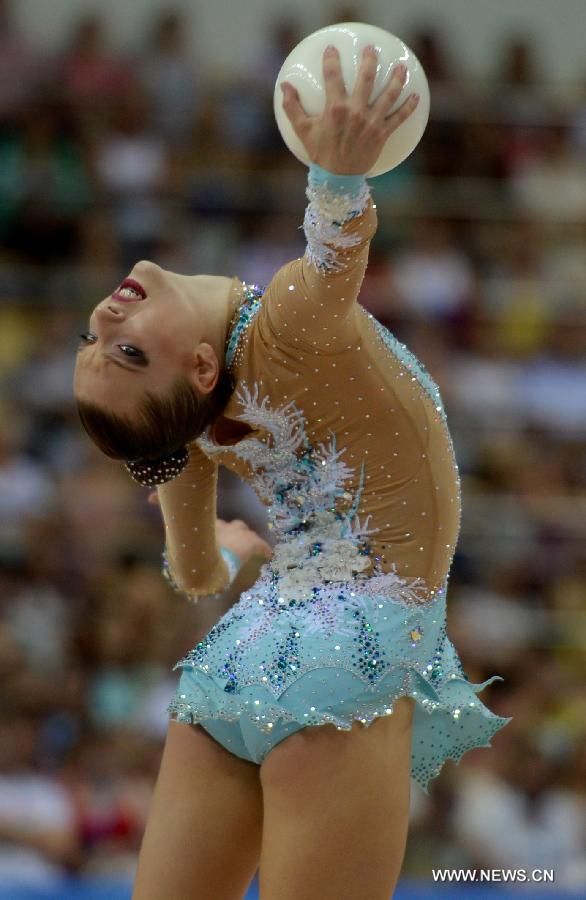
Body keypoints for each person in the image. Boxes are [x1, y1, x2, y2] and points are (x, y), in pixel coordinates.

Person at [74, 44, 512, 900]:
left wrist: (233, 546)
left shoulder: (197, 435)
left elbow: (193, 572)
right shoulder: (279, 333)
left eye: (94, 344)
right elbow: (331, 262)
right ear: (201, 369)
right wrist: (337, 177)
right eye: (125, 351)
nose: (101, 318)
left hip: (236, 667)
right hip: (340, 665)